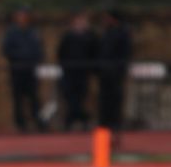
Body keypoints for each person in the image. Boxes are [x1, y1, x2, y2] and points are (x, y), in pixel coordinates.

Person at [1, 6, 45, 133]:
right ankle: (21, 123)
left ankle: (38, 121)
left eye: (24, 15)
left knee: (34, 97)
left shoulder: (33, 32)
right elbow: (6, 50)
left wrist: (35, 59)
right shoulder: (11, 32)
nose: (22, 18)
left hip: (31, 69)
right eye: (20, 15)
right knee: (18, 98)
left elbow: (39, 49)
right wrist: (20, 57)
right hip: (17, 69)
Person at [56, 10, 98, 132]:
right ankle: (80, 118)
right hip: (70, 71)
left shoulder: (90, 36)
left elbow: (94, 52)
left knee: (81, 97)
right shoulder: (68, 36)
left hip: (83, 72)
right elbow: (61, 53)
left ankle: (77, 118)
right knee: (70, 97)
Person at [97, 9, 133, 146]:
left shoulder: (122, 33)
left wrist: (118, 70)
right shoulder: (107, 32)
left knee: (115, 106)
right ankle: (104, 137)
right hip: (105, 75)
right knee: (104, 107)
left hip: (115, 75)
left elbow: (125, 54)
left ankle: (115, 134)